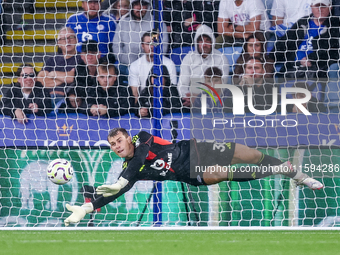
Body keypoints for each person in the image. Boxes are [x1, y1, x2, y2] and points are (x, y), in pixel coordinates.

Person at [63, 127, 323, 226]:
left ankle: (293, 172)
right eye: (113, 145)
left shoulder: (141, 137)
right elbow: (119, 190)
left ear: (127, 137)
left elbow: (141, 157)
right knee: (224, 174)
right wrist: (88, 207)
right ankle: (284, 170)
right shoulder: (130, 171)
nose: (117, 146)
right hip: (191, 173)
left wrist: (122, 179)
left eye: (118, 141)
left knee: (251, 155)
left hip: (197, 149)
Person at [270, 0, 340, 80]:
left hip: (318, 70)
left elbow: (335, 51)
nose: (320, 9)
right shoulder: (302, 22)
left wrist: (312, 58)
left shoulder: (335, 25)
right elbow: (285, 41)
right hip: (292, 68)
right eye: (317, 6)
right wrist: (270, 58)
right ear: (312, 7)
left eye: (323, 6)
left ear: (330, 8)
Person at [177, 24, 229, 107]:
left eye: (207, 40)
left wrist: (199, 99)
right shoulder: (189, 58)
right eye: (201, 41)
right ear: (196, 42)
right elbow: (182, 85)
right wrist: (186, 98)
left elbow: (221, 86)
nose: (204, 44)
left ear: (212, 42)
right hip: (190, 103)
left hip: (214, 103)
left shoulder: (221, 58)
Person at [111, 0, 169, 74]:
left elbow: (162, 47)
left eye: (143, 4)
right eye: (136, 4)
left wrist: (146, 62)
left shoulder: (156, 23)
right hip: (126, 65)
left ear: (148, 6)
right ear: (131, 6)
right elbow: (116, 46)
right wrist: (130, 62)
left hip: (152, 65)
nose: (139, 8)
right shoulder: (123, 23)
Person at [129, 31, 177, 103]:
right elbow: (135, 93)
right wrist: (140, 109)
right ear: (142, 46)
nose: (151, 46)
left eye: (154, 43)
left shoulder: (169, 64)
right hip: (144, 102)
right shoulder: (134, 65)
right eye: (148, 43)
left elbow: (172, 89)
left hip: (165, 103)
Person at [37, 27, 81, 105]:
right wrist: (65, 77)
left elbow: (74, 78)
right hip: (47, 98)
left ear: (76, 40)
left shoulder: (82, 58)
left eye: (70, 37)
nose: (67, 41)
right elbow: (40, 80)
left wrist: (54, 74)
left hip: (68, 99)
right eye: (63, 39)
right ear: (59, 43)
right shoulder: (52, 59)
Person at [62, 40, 101, 114]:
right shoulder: (80, 69)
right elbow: (79, 89)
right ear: (82, 56)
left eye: (93, 53)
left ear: (99, 55)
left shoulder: (106, 67)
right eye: (86, 54)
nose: (89, 57)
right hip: (86, 103)